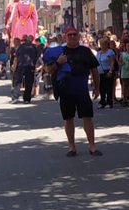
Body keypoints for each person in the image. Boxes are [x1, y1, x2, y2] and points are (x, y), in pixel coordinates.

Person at [46, 27, 101, 156]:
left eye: (74, 34)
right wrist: (58, 63)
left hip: (82, 89)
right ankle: (72, 147)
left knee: (87, 117)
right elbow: (49, 70)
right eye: (69, 35)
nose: (72, 37)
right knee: (68, 119)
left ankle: (92, 146)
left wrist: (97, 87)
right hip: (66, 90)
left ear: (78, 36)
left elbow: (94, 70)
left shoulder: (85, 51)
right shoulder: (60, 51)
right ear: (65, 37)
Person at [12, 34, 40, 104]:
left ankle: (15, 97)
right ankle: (27, 98)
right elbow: (37, 57)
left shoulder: (21, 47)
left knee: (18, 81)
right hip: (30, 66)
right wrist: (35, 65)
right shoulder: (34, 47)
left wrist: (14, 66)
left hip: (21, 65)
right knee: (29, 82)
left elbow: (16, 57)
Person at [96, 36, 118, 109]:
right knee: (101, 87)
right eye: (101, 44)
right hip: (100, 72)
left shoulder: (110, 52)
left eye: (103, 44)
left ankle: (109, 102)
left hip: (107, 71)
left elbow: (112, 62)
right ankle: (102, 101)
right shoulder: (98, 53)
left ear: (106, 44)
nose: (102, 45)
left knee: (108, 87)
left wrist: (111, 71)